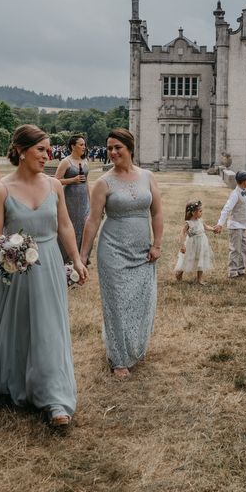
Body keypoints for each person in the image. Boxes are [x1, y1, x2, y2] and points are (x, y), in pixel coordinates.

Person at [0, 125, 88, 427]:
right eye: (41, 149)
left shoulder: (54, 186)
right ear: (22, 151)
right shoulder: (1, 190)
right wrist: (11, 251)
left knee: (49, 325)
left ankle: (54, 398)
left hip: (49, 261)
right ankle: (16, 382)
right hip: (17, 267)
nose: (48, 155)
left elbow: (64, 226)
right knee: (20, 324)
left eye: (49, 149)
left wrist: (77, 260)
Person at [81, 128, 163, 380]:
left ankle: (133, 344)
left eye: (118, 147)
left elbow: (157, 212)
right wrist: (82, 256)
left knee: (140, 300)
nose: (113, 152)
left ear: (130, 148)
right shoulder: (103, 182)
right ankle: (118, 358)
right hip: (113, 250)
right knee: (116, 303)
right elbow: (93, 220)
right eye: (109, 148)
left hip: (142, 250)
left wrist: (156, 244)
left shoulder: (147, 176)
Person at [55, 134, 90, 261]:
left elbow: (87, 183)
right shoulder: (66, 161)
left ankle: (82, 257)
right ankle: (66, 257)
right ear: (72, 146)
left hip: (84, 199)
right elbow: (56, 180)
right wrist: (73, 180)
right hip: (70, 199)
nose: (84, 147)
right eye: (81, 144)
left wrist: (90, 201)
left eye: (84, 144)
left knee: (84, 226)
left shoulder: (85, 161)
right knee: (71, 226)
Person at [214, 170, 246, 278]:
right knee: (235, 248)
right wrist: (220, 224)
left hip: (243, 225)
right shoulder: (235, 194)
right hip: (235, 225)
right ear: (243, 182)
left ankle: (241, 269)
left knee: (244, 248)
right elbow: (226, 209)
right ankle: (232, 270)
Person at [174, 199, 216, 285]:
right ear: (193, 212)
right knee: (187, 259)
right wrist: (182, 245)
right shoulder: (189, 223)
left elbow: (206, 227)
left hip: (202, 243)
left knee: (201, 259)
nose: (202, 212)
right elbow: (182, 233)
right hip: (192, 244)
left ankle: (199, 279)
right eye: (200, 211)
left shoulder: (200, 220)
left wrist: (213, 229)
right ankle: (179, 273)